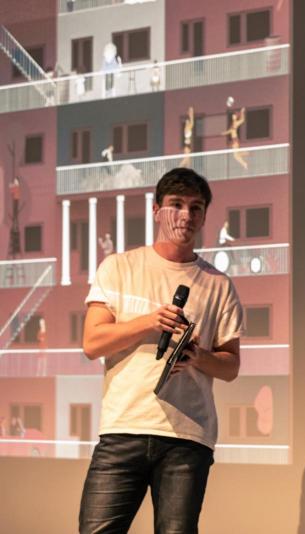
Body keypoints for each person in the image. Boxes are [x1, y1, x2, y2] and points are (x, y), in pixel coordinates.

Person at [78, 168, 244, 534]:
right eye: (176, 205)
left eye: (196, 207)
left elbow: (231, 365)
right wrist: (149, 322)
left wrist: (198, 356)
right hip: (124, 426)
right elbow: (92, 342)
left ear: (204, 216)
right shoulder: (120, 267)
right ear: (156, 210)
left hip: (187, 436)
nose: (186, 215)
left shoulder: (218, 285)